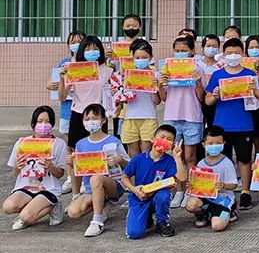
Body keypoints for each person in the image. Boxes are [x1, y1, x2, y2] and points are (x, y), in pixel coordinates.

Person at [204, 37, 259, 210]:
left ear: (243, 54)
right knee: (221, 160)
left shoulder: (249, 74)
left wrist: (254, 89)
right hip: (221, 125)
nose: (233, 56)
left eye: (237, 52)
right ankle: (223, 191)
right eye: (229, 53)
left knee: (244, 159)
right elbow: (207, 100)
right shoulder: (217, 75)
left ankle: (246, 192)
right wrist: (214, 95)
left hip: (244, 124)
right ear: (223, 54)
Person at [58, 35, 116, 196]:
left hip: (98, 117)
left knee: (99, 154)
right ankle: (76, 193)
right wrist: (62, 79)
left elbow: (114, 94)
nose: (92, 51)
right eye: (88, 48)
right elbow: (62, 96)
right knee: (76, 155)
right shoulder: (75, 69)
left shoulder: (107, 70)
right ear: (82, 51)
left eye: (95, 48)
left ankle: (97, 191)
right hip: (79, 115)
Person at [66, 103, 130, 237]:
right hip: (90, 189)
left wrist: (119, 160)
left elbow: (130, 165)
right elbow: (78, 171)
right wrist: (72, 164)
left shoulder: (113, 141)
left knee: (96, 178)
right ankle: (103, 204)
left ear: (103, 120)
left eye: (95, 118)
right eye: (87, 119)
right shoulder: (80, 144)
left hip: (113, 185)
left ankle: (97, 221)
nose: (91, 122)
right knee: (73, 212)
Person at [159, 34, 205, 208]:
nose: (179, 53)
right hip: (172, 116)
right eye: (177, 50)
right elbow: (163, 97)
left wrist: (198, 82)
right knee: (176, 156)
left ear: (192, 51)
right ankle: (179, 190)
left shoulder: (198, 69)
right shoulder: (167, 68)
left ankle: (190, 190)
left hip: (191, 116)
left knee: (190, 156)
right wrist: (160, 84)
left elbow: (201, 97)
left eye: (183, 50)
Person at [4, 105, 68, 230]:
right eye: (40, 121)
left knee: (26, 217)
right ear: (33, 123)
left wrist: (50, 167)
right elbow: (14, 172)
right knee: (8, 207)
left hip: (48, 188)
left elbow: (60, 174)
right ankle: (31, 209)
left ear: (52, 124)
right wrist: (18, 167)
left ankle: (53, 207)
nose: (43, 125)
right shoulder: (22, 143)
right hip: (26, 187)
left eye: (47, 121)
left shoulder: (58, 144)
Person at [120, 124, 188, 239]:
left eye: (169, 139)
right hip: (139, 197)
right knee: (134, 234)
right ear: (152, 139)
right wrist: (134, 189)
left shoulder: (170, 160)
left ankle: (161, 222)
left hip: (157, 196)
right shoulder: (138, 158)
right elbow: (124, 177)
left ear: (172, 144)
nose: (164, 141)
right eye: (162, 137)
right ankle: (146, 218)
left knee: (163, 195)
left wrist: (177, 158)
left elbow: (182, 178)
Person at [183, 125, 239, 231]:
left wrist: (224, 186)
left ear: (224, 143)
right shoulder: (201, 163)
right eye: (210, 143)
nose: (214, 146)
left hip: (223, 200)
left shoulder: (227, 163)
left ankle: (230, 212)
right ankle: (204, 214)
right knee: (191, 204)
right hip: (206, 199)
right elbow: (198, 184)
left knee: (217, 226)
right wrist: (192, 186)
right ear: (204, 145)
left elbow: (234, 185)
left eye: (218, 143)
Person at [119, 39, 161, 157]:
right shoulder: (127, 75)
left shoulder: (155, 75)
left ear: (150, 57)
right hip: (130, 116)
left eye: (144, 57)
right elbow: (122, 98)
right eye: (137, 57)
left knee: (146, 153)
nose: (140, 60)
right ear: (132, 57)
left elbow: (157, 101)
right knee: (133, 154)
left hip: (149, 117)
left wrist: (155, 87)